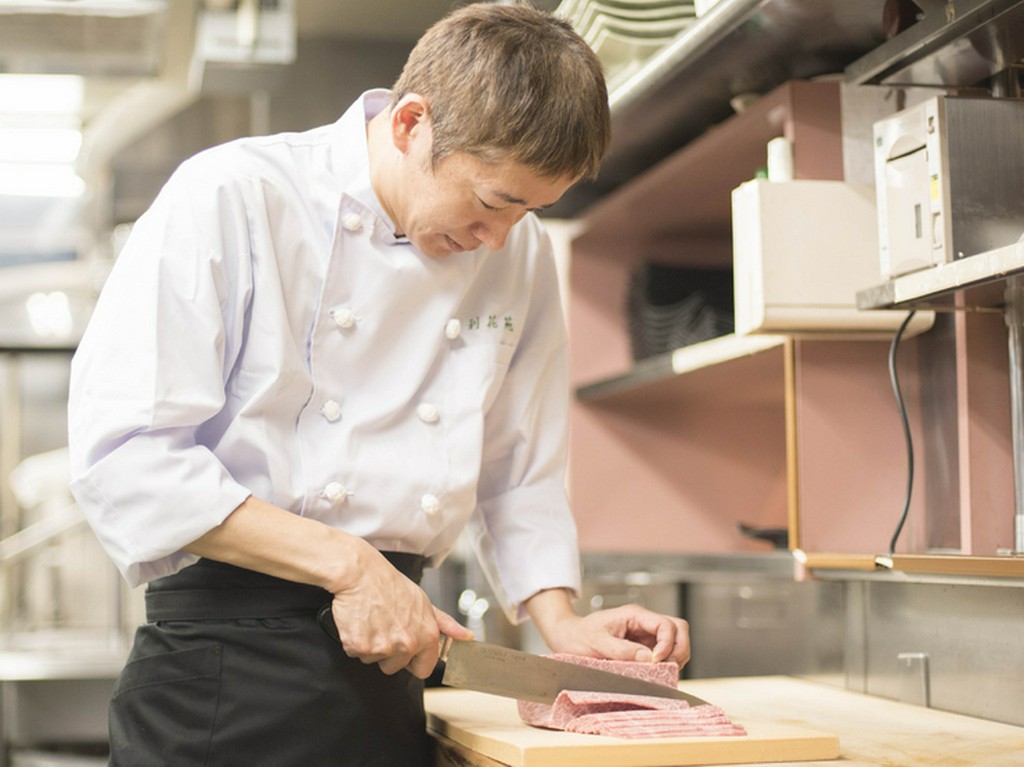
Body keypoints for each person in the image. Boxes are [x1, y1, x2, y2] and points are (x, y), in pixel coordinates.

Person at [67, 3, 690, 765]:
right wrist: (351, 563)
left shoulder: (516, 252)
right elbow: (128, 458)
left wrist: (560, 622)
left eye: (530, 211)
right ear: (410, 124)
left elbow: (517, 470)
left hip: (393, 668)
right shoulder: (233, 195)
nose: (499, 237)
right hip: (219, 679)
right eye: (493, 201)